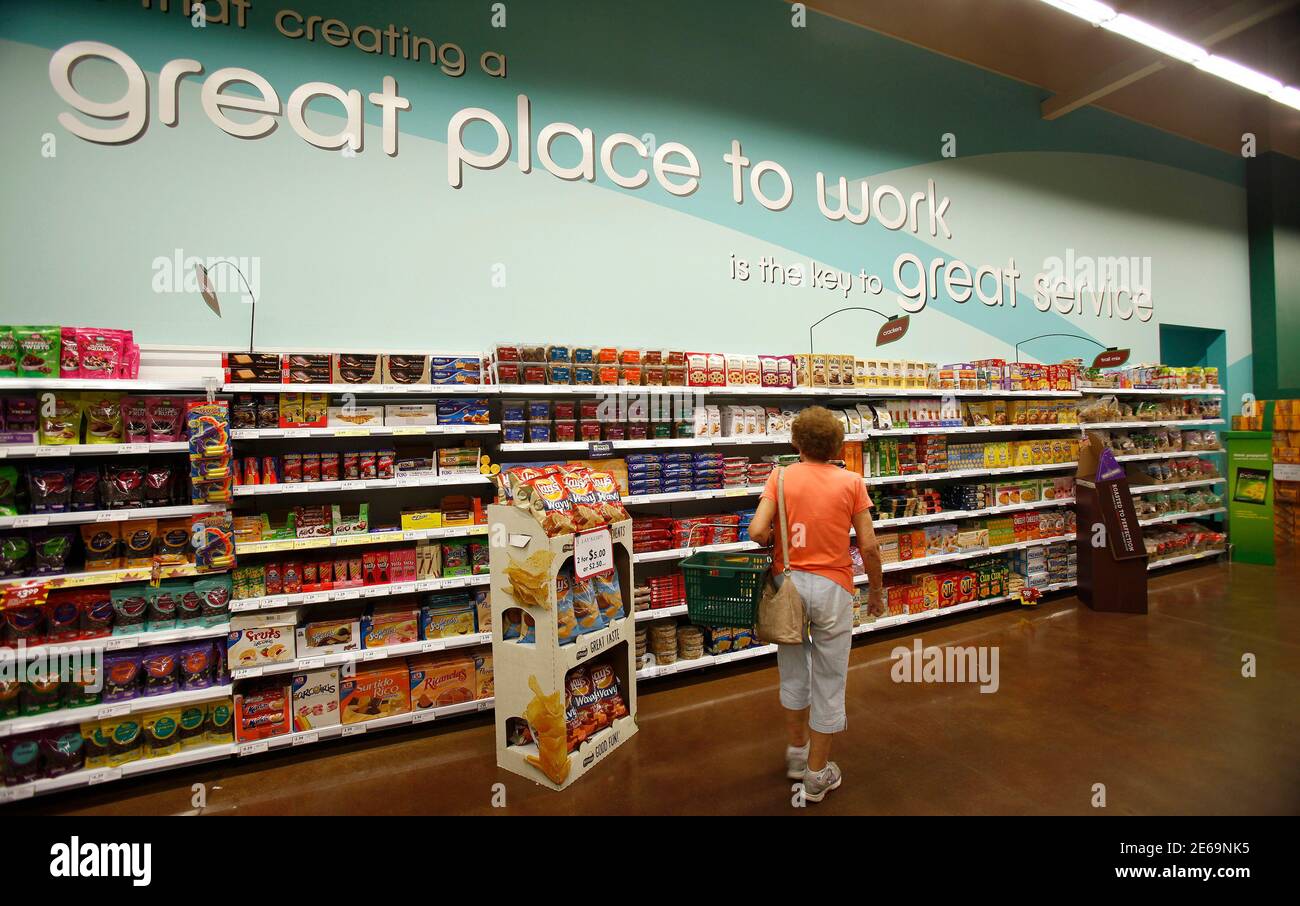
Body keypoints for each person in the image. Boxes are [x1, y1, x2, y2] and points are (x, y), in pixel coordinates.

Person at [746, 405, 884, 802]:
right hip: (833, 588)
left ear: (796, 443)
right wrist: (875, 592)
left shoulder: (781, 476)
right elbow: (870, 546)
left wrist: (779, 537)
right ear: (838, 445)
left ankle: (795, 754)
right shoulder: (852, 481)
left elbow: (757, 530)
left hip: (788, 585)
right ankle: (816, 774)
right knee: (829, 679)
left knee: (792, 672)